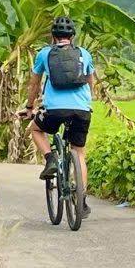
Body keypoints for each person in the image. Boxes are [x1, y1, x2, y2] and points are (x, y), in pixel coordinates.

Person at [27, 16, 97, 218]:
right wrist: (87, 103)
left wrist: (30, 106)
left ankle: (50, 159)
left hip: (54, 110)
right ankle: (81, 199)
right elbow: (91, 81)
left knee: (36, 129)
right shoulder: (84, 54)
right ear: (72, 36)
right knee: (79, 153)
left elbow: (34, 84)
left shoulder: (44, 54)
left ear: (52, 36)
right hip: (82, 110)